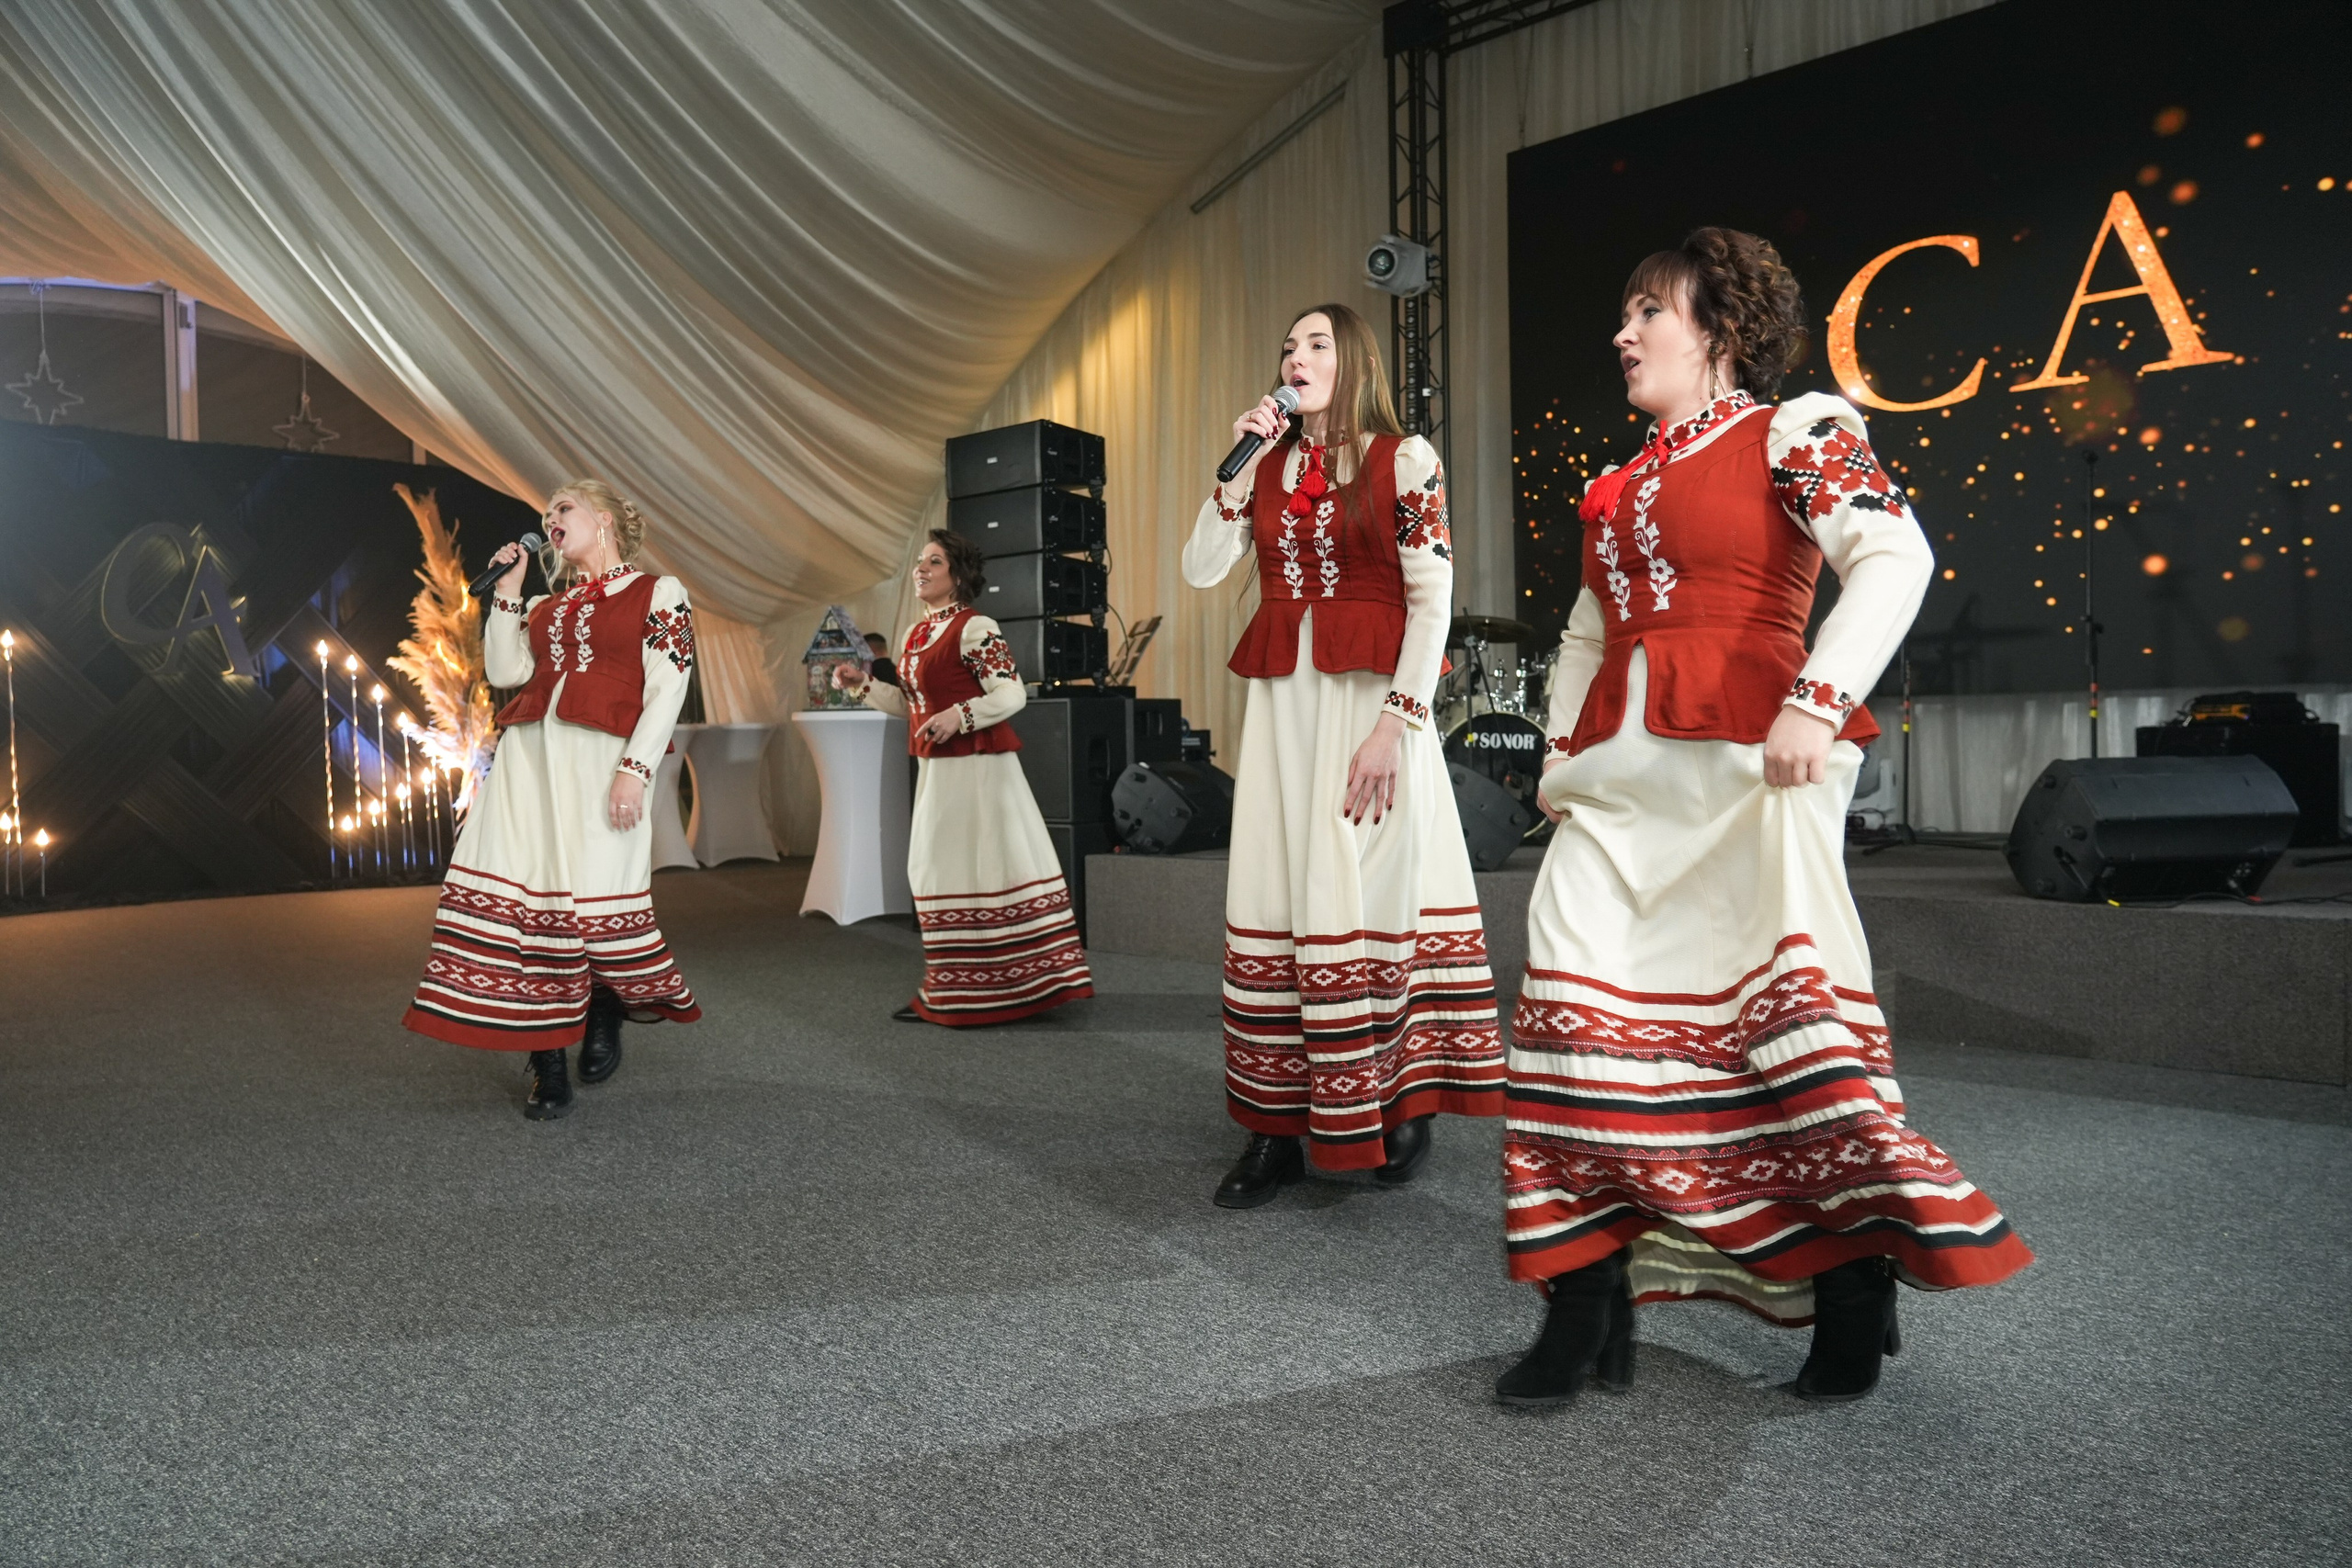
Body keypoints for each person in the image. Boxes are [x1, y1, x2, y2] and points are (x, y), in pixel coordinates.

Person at [1496, 229, 2032, 1407]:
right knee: (1568, 1028)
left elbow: (1893, 557)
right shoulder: (1615, 483)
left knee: (1775, 1044)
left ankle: (1852, 1284)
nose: (1623, 333)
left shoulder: (1795, 430)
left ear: (1722, 330)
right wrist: (1556, 747)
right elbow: (1586, 629)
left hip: (1749, 774)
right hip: (1616, 788)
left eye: (1649, 310)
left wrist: (1817, 698)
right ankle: (1583, 1301)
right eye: (1624, 313)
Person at [1184, 302, 1503, 1208]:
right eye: (1288, 345)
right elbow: (1201, 567)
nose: (1296, 356)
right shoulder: (1264, 460)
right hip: (1285, 711)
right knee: (1278, 890)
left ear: (1353, 360)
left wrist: (1394, 726)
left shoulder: (1406, 457)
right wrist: (1238, 465)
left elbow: (1432, 601)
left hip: (1372, 710)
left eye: (1316, 343)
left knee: (1374, 895)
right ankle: (1274, 1126)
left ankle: (1397, 1104)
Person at [401, 479, 701, 1119]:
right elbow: (507, 672)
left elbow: (668, 687)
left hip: (601, 763)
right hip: (528, 762)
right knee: (529, 906)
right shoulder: (543, 603)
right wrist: (508, 592)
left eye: (563, 508)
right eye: (546, 512)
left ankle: (604, 1005)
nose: (550, 519)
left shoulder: (658, 592)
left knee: (592, 902)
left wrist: (635, 770)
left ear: (605, 518)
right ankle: (547, 1061)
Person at [832, 530, 1093, 1026]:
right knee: (939, 872)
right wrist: (862, 685)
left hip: (977, 769)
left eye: (935, 561)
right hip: (938, 771)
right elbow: (911, 706)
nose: (921, 569)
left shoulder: (975, 627)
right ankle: (959, 988)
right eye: (920, 561)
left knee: (975, 868)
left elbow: (1011, 693)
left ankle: (1005, 988)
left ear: (958, 576)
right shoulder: (916, 634)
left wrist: (961, 715)